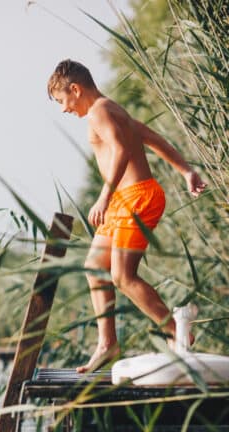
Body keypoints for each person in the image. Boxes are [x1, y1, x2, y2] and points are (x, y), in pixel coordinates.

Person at [47, 59, 207, 373]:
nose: (64, 110)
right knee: (94, 267)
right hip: (125, 200)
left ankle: (178, 331)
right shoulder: (113, 109)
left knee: (122, 276)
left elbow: (120, 150)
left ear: (75, 90)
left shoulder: (99, 112)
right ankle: (108, 344)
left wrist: (103, 197)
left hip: (135, 198)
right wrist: (186, 171)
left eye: (62, 101)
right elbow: (154, 139)